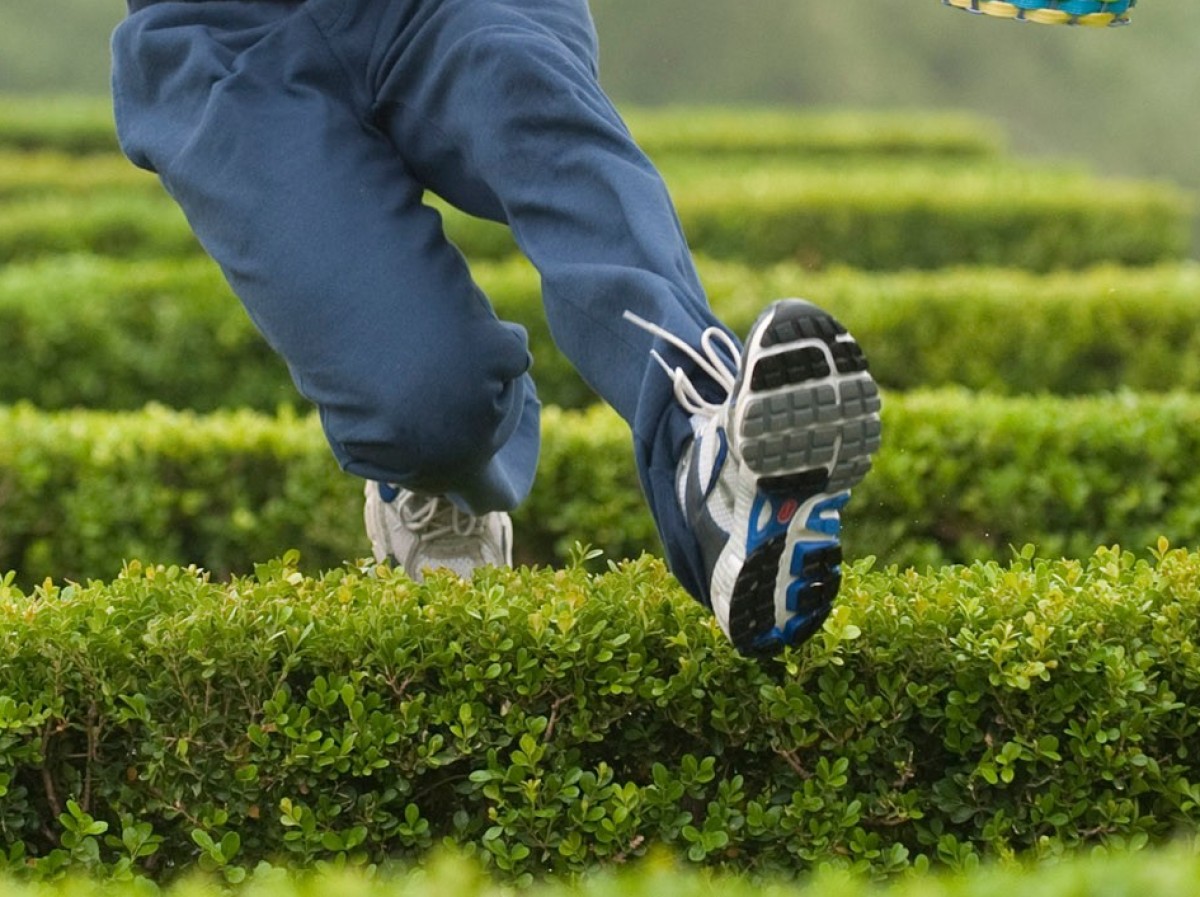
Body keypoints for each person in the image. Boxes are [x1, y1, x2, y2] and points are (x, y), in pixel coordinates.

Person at [111, 0, 882, 655]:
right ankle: (439, 480)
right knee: (424, 407)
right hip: (227, 35)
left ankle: (709, 451)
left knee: (540, 117)